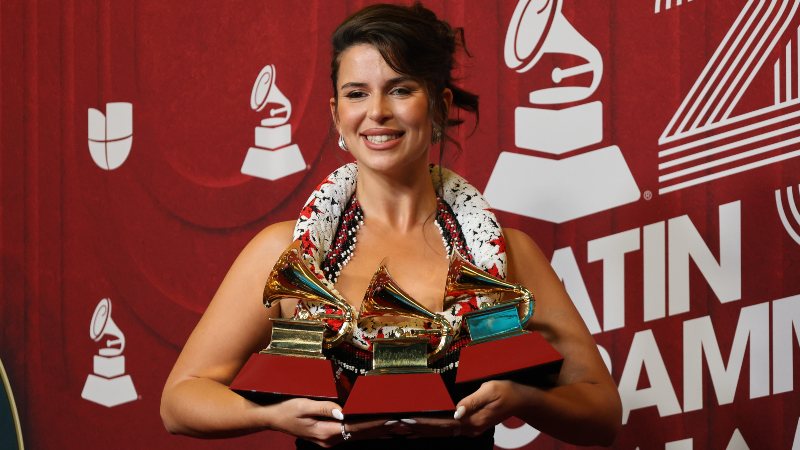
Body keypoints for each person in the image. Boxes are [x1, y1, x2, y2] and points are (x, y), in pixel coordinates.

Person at [160, 2, 622, 448]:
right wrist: (268, 415)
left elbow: (602, 413)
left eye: (400, 89)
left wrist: (524, 398)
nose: (377, 111)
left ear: (438, 106)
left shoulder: (506, 254)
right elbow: (180, 401)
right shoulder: (284, 253)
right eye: (356, 93)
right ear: (336, 114)